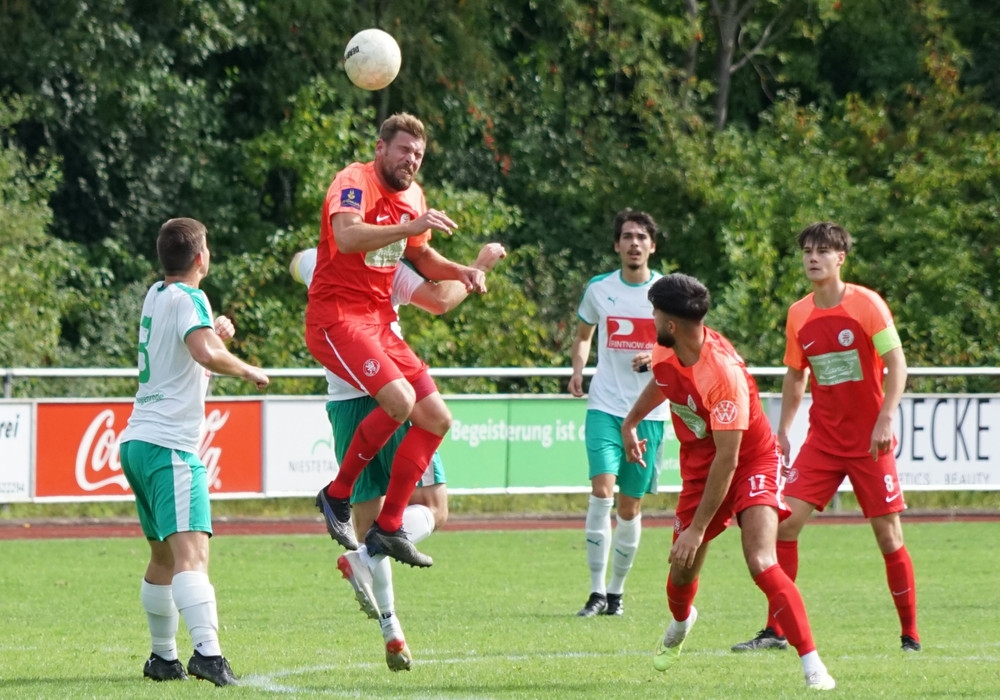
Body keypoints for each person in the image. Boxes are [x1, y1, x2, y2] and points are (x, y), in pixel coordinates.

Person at [291, 242, 506, 671]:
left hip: (344, 404)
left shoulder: (321, 260)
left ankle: (392, 631)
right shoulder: (387, 264)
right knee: (433, 508)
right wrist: (477, 266)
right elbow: (441, 300)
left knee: (366, 521)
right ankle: (365, 559)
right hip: (392, 392)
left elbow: (296, 262)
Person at [622, 272, 836, 691]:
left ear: (670, 324)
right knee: (680, 577)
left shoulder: (723, 375)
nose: (651, 320)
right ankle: (682, 621)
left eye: (654, 313)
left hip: (751, 461)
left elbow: (729, 457)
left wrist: (697, 530)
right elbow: (663, 382)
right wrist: (631, 422)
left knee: (761, 561)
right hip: (701, 471)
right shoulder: (666, 348)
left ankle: (813, 665)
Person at [307, 113, 487, 569]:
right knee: (400, 402)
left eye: (419, 154)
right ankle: (336, 494)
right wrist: (409, 227)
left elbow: (421, 254)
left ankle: (390, 527)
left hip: (379, 323)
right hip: (338, 318)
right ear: (381, 148)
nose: (412, 160)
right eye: (405, 149)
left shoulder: (413, 196)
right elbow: (347, 236)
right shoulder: (354, 181)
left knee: (437, 419)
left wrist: (462, 271)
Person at [732, 221, 920, 654]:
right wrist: (783, 429)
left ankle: (910, 636)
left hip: (870, 442)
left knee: (888, 536)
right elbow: (796, 375)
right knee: (784, 525)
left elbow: (897, 364)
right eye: (807, 251)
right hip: (823, 442)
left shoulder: (867, 305)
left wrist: (886, 418)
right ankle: (776, 631)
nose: (813, 258)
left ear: (840, 258)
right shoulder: (799, 313)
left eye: (822, 251)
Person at [118, 217, 269, 686]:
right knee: (192, 557)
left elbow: (190, 350)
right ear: (201, 257)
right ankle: (208, 654)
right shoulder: (191, 298)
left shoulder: (157, 294)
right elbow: (203, 353)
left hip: (138, 441)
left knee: (164, 559)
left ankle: (163, 659)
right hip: (170, 447)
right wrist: (246, 369)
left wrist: (213, 334)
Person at [567, 208, 669, 618]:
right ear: (617, 245)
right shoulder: (599, 289)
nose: (634, 244)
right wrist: (578, 370)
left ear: (652, 246)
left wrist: (657, 356)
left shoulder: (667, 291)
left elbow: (687, 345)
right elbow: (583, 336)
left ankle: (616, 592)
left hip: (649, 413)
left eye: (641, 237)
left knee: (629, 508)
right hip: (605, 406)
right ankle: (595, 591)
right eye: (627, 236)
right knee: (601, 493)